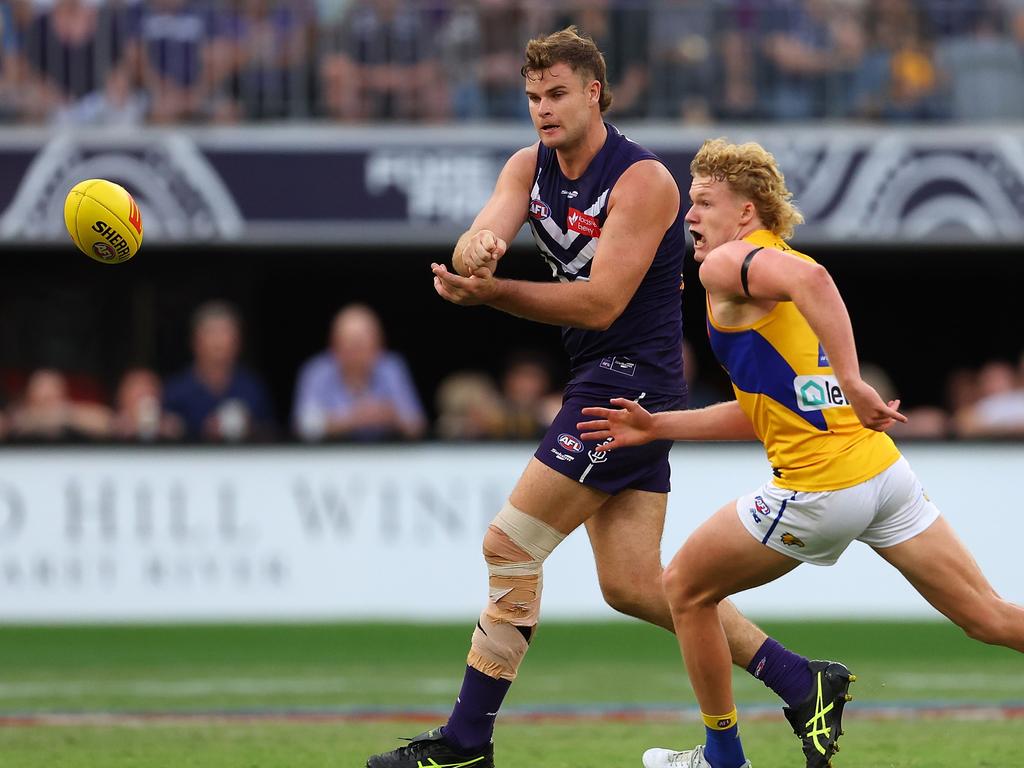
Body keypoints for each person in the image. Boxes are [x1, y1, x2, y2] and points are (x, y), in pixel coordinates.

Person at [368, 29, 844, 768]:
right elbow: (482, 233)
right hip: (608, 380)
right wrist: (475, 253)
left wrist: (490, 294)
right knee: (631, 585)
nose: (542, 110)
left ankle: (466, 742)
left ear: (594, 92)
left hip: (631, 382)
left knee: (509, 544)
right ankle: (799, 679)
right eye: (531, 97)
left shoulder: (644, 180)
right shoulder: (528, 166)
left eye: (556, 94)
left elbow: (600, 302)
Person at [577, 137, 1024, 768]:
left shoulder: (725, 266)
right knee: (990, 617)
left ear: (747, 211)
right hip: (881, 476)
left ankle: (721, 756)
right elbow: (763, 413)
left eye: (705, 202)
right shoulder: (772, 268)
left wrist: (854, 377)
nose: (691, 217)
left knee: (682, 588)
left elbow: (816, 278)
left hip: (823, 490)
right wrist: (658, 427)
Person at [291, 303, 426, 441]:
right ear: (334, 344)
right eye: (350, 343)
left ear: (379, 343)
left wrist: (390, 416)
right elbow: (304, 426)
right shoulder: (317, 371)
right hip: (331, 456)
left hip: (386, 455)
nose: (356, 351)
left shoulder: (392, 368)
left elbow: (416, 424)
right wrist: (351, 419)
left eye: (362, 343)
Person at [163, 301, 275, 442]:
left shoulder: (252, 388)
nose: (218, 342)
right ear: (195, 341)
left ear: (238, 341)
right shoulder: (176, 390)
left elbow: (272, 434)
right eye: (211, 333)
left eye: (225, 333)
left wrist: (251, 428)